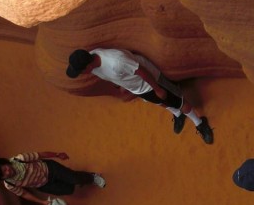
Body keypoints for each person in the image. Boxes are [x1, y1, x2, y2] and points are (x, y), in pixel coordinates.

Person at [65, 47, 214, 144]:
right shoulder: (91, 58)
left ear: (88, 66)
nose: (81, 74)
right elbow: (111, 75)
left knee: (179, 101)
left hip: (152, 81)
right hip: (137, 88)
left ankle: (199, 123)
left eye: (80, 71)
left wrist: (157, 89)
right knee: (160, 103)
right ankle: (177, 114)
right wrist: (122, 85)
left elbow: (141, 70)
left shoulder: (116, 61)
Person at [0, 150, 105, 205]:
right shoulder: (9, 184)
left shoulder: (20, 159)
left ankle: (92, 177)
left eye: (5, 168)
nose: (8, 172)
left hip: (49, 169)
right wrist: (42, 202)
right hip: (43, 184)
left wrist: (57, 155)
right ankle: (80, 179)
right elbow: (24, 194)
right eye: (3, 174)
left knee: (73, 178)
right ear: (2, 178)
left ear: (4, 162)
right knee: (68, 190)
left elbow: (40, 155)